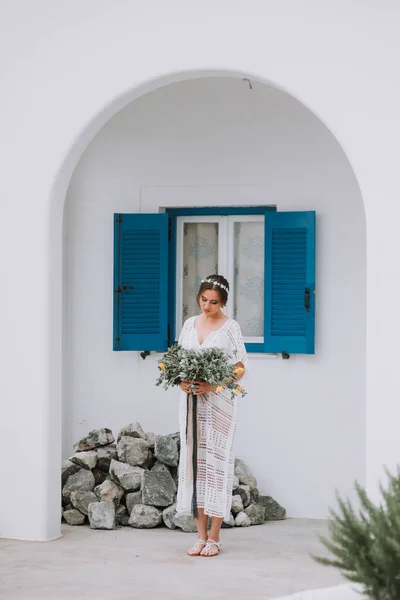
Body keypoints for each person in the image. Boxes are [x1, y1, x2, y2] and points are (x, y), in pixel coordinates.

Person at [176, 274, 247, 557]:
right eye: (203, 300)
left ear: (223, 303)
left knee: (216, 464)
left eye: (214, 302)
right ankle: (200, 536)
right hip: (191, 401)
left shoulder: (231, 328)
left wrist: (214, 384)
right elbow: (179, 359)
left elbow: (240, 366)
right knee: (194, 463)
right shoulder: (189, 324)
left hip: (218, 402)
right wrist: (180, 380)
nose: (207, 306)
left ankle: (215, 537)